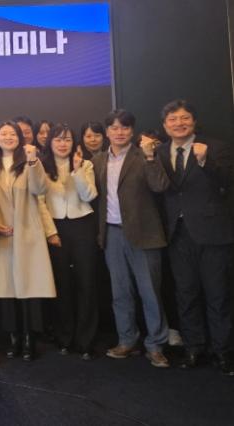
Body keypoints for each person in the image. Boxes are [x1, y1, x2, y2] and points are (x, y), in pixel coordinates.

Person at [155, 100, 234, 375]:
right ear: (165, 125)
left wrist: (204, 161)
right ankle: (193, 348)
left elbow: (227, 182)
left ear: (194, 121)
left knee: (218, 296)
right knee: (186, 294)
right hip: (177, 235)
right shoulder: (159, 152)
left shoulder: (216, 147)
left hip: (212, 234)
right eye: (173, 119)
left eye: (184, 118)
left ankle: (222, 351)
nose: (179, 123)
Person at [92, 109, 171, 368]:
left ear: (132, 130)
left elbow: (160, 186)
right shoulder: (98, 160)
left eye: (124, 127)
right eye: (114, 127)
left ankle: (156, 345)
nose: (119, 132)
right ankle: (127, 340)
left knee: (150, 293)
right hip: (112, 233)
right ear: (107, 132)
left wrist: (150, 157)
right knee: (120, 293)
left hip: (144, 234)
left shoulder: (144, 155)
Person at [0, 121, 55, 361]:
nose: (8, 137)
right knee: (6, 288)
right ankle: (13, 337)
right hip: (1, 235)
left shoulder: (29, 162)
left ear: (20, 138)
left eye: (12, 134)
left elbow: (39, 188)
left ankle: (29, 338)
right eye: (3, 133)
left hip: (28, 233)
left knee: (29, 287)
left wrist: (33, 161)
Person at [38, 124, 99, 360]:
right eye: (58, 139)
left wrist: (77, 171)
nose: (63, 144)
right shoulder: (41, 166)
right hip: (55, 227)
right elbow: (39, 202)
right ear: (50, 142)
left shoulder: (86, 165)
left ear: (74, 143)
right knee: (61, 284)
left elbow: (89, 195)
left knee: (87, 283)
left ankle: (86, 341)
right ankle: (64, 337)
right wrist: (50, 232)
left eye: (67, 140)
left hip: (82, 224)